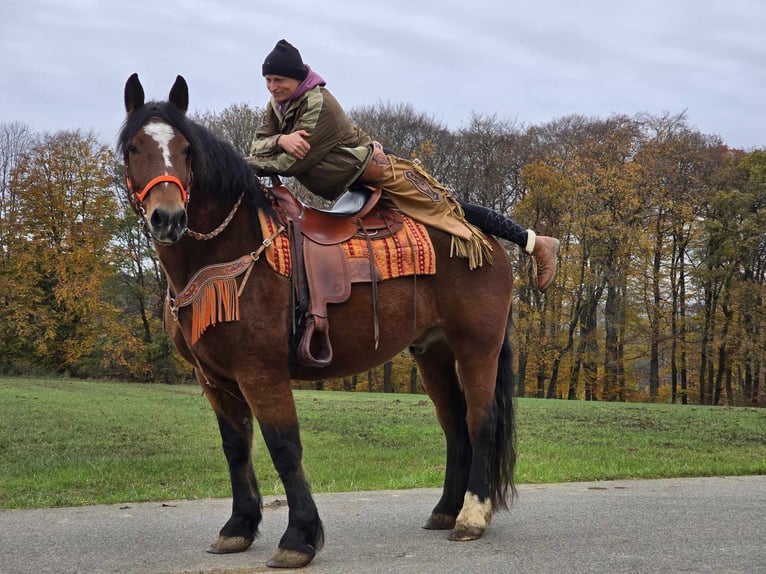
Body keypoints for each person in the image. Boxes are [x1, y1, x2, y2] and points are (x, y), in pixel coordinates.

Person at [246, 39, 560, 290]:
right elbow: (258, 144)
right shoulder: (278, 105)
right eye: (268, 80)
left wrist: (261, 156)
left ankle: (534, 243)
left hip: (378, 172)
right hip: (349, 182)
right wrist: (280, 140)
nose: (273, 87)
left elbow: (292, 164)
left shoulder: (319, 104)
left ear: (298, 79)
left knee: (449, 210)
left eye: (279, 80)